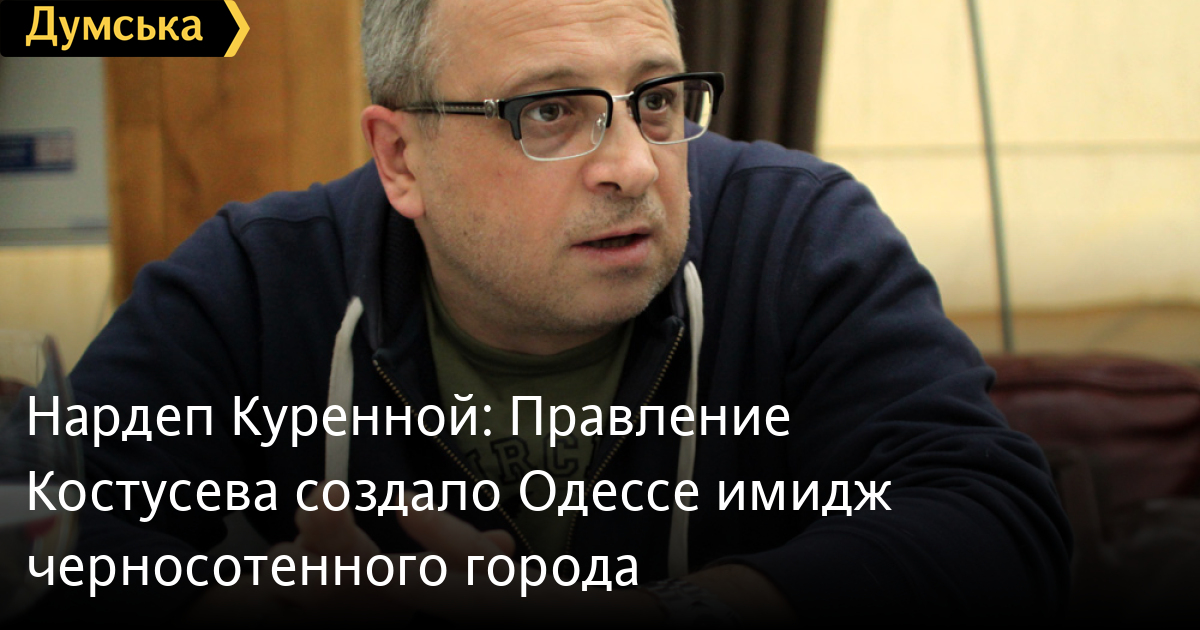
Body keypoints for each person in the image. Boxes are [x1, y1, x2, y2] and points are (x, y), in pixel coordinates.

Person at [40, 0, 1070, 624]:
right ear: (401, 158)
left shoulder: (797, 239)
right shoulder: (251, 286)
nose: (633, 166)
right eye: (548, 112)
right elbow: (47, 540)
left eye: (655, 100)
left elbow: (994, 523)